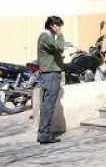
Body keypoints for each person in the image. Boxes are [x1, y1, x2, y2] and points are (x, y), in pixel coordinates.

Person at [37, 15, 65, 144]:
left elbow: (55, 50)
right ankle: (44, 135)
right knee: (48, 105)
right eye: (58, 25)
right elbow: (60, 47)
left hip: (50, 74)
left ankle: (43, 133)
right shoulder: (45, 36)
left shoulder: (48, 37)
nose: (59, 28)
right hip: (50, 75)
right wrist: (60, 35)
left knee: (47, 105)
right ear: (52, 25)